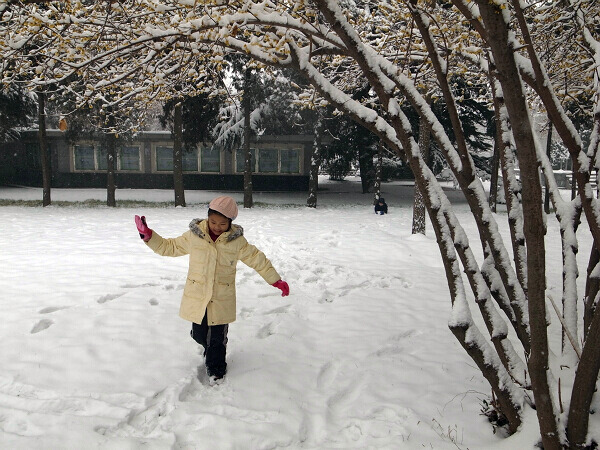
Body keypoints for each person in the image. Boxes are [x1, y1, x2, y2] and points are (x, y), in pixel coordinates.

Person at [134, 195, 289, 384]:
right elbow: (170, 247)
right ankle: (204, 343)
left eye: (222, 223)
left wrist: (275, 280)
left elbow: (258, 260)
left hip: (221, 298)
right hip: (198, 295)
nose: (217, 226)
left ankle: (216, 369)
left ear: (230, 223)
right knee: (200, 334)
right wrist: (149, 236)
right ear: (207, 217)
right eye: (213, 221)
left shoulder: (237, 242)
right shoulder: (194, 236)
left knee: (217, 339)